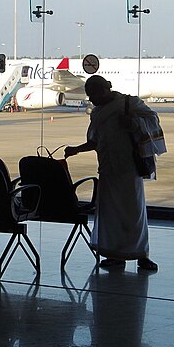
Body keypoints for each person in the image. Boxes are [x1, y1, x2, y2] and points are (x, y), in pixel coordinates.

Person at [65, 75, 158, 272]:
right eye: (90, 96)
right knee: (110, 215)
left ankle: (141, 254)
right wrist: (77, 149)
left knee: (134, 214)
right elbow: (95, 141)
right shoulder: (98, 113)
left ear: (105, 90)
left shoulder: (129, 103)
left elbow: (153, 120)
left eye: (94, 95)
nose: (92, 100)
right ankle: (115, 254)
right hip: (108, 170)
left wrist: (133, 123)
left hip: (129, 170)